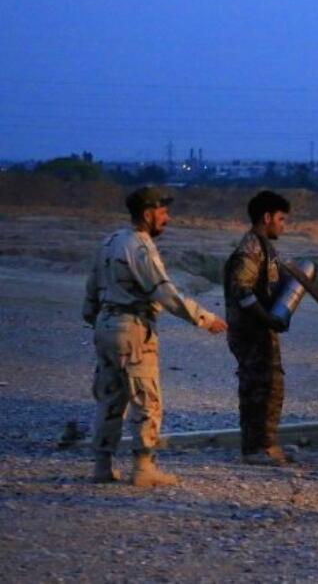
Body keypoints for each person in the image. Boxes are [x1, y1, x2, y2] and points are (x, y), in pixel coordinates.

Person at [83, 186, 227, 487]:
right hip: (132, 328)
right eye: (163, 212)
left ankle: (102, 465)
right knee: (146, 399)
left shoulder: (109, 241)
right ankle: (143, 467)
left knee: (110, 397)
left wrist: (96, 317)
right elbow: (165, 293)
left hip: (106, 325)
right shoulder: (140, 247)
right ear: (148, 214)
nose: (167, 218)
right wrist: (205, 319)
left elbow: (91, 291)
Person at [224, 190, 293, 466]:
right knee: (257, 389)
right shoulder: (250, 249)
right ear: (267, 217)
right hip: (251, 333)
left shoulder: (264, 247)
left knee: (270, 387)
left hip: (262, 331)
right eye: (281, 218)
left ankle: (266, 443)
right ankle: (255, 449)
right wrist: (267, 319)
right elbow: (242, 291)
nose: (283, 224)